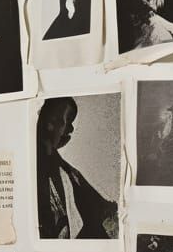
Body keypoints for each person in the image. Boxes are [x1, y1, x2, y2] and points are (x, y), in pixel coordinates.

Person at [36, 97, 118, 240]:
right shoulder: (53, 168)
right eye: (67, 120)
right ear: (49, 122)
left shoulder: (68, 172)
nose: (71, 129)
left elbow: (100, 210)